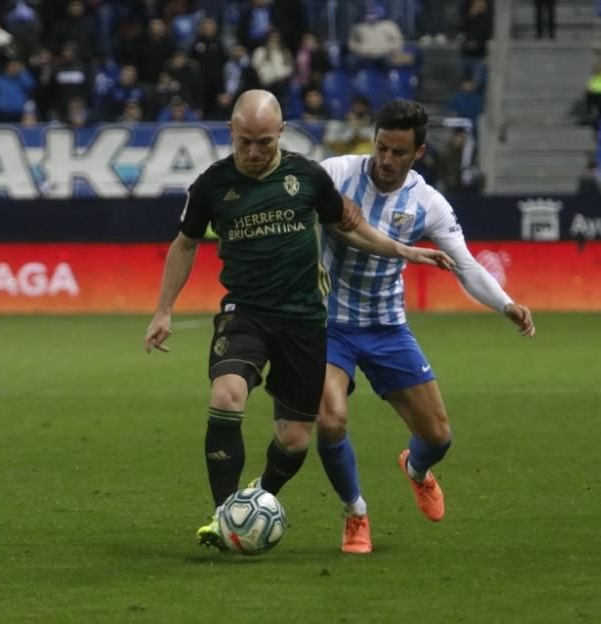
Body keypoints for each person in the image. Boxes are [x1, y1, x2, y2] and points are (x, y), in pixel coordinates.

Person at [143, 90, 455, 550]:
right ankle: (225, 513)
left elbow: (348, 226)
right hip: (245, 312)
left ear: (281, 134)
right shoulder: (211, 185)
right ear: (231, 132)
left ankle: (258, 498)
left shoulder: (306, 177)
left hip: (305, 320)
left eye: (264, 142)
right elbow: (184, 245)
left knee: (294, 439)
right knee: (227, 395)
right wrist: (164, 309)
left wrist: (401, 249)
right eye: (245, 141)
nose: (253, 152)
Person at [310, 100, 535, 553]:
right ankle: (355, 514)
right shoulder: (336, 173)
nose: (386, 161)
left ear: (418, 153)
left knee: (438, 437)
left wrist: (506, 305)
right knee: (329, 421)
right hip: (330, 324)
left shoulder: (427, 203)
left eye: (398, 152)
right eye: (381, 148)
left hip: (387, 328)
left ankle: (415, 469)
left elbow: (465, 265)